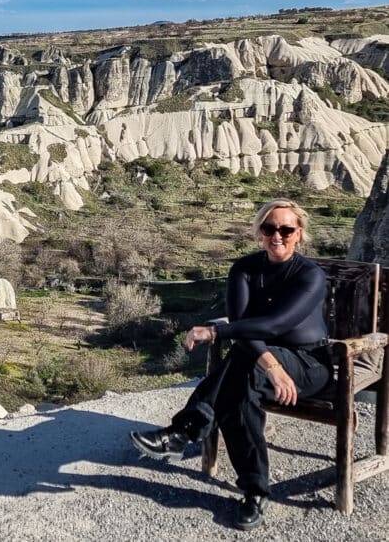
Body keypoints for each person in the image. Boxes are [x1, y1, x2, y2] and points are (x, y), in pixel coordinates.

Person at [130, 199, 332, 531]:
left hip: (309, 364)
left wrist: (215, 331)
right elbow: (245, 325)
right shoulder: (244, 269)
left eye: (285, 229)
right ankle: (254, 492)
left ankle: (183, 432)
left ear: (300, 234)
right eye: (269, 228)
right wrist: (271, 365)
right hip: (261, 361)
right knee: (240, 388)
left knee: (243, 365)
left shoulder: (309, 275)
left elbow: (273, 325)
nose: (276, 236)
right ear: (259, 232)